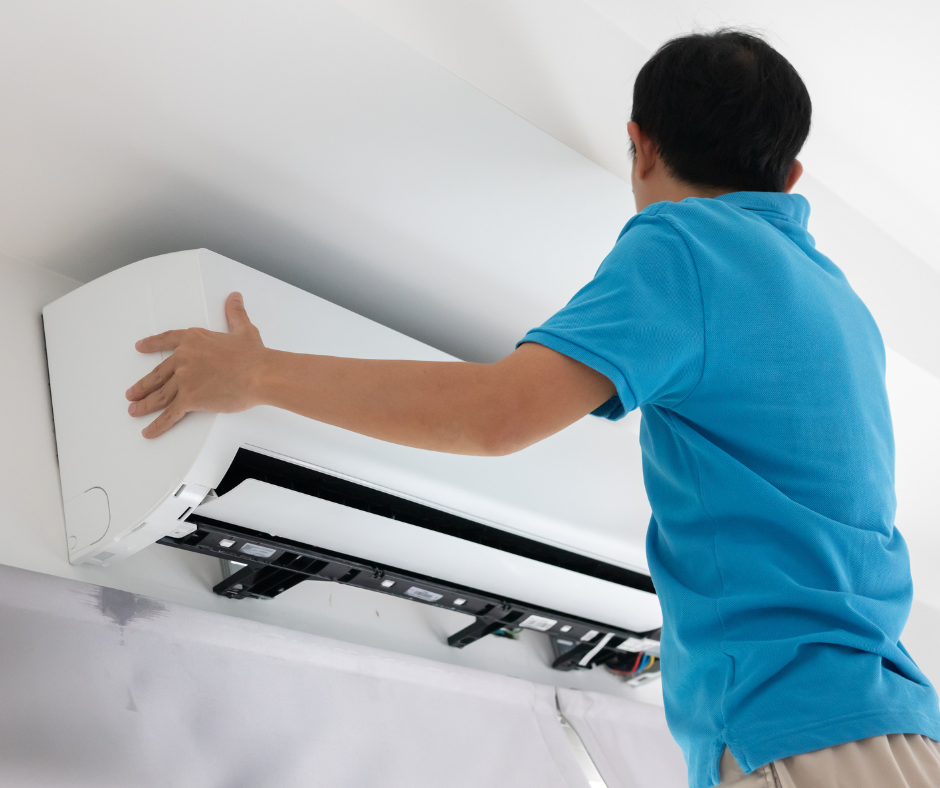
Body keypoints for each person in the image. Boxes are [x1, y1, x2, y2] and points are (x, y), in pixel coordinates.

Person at [125, 29, 940, 788]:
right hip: (900, 725)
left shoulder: (686, 243)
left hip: (799, 725)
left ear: (640, 143)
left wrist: (258, 374)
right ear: (791, 178)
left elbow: (497, 414)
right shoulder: (842, 303)